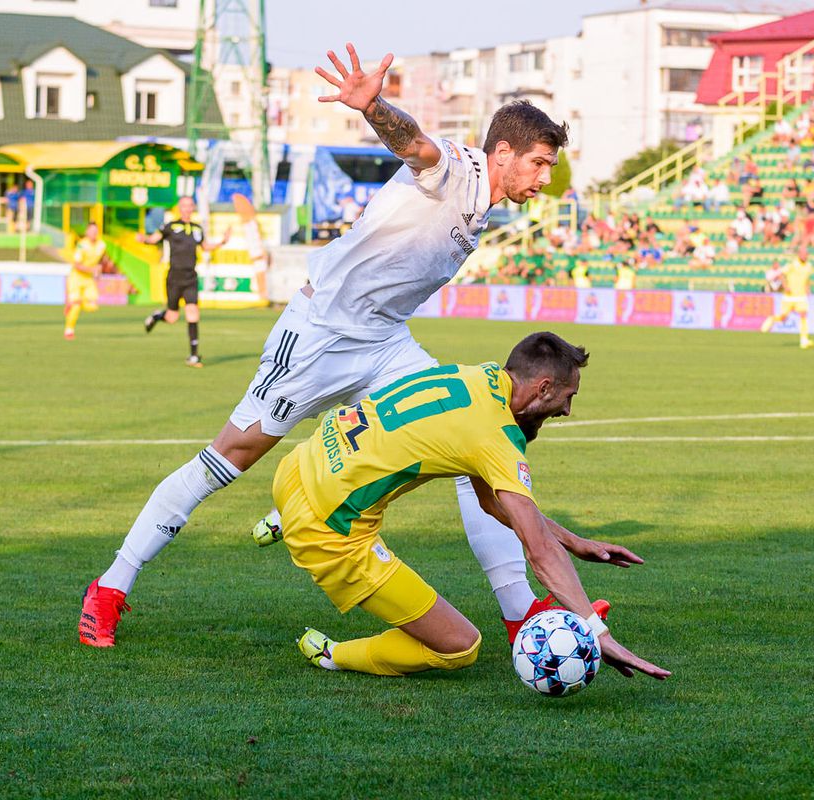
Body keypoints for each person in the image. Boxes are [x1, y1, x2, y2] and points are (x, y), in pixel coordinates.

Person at [78, 43, 585, 653]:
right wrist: (375, 108)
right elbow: (416, 144)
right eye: (538, 162)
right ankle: (109, 588)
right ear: (502, 152)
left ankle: (520, 615)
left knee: (477, 445)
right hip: (322, 332)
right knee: (228, 458)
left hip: (385, 342)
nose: (544, 177)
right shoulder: (460, 168)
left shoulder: (485, 203)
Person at [284, 333, 670, 681]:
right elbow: (540, 552)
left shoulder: (479, 379)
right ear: (545, 387)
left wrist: (573, 539)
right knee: (459, 645)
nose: (567, 411)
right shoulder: (496, 435)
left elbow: (490, 502)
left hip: (297, 469)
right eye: (568, 397)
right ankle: (333, 655)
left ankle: (281, 520)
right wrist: (596, 632)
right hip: (329, 529)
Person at [137, 196, 232, 368]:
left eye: (190, 205)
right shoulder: (171, 226)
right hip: (174, 277)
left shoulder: (197, 229)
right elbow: (154, 239)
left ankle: (194, 356)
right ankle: (157, 316)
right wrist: (143, 238)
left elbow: (205, 246)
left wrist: (222, 242)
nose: (187, 208)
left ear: (193, 207)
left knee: (193, 313)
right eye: (184, 205)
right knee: (172, 317)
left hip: (190, 277)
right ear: (180, 208)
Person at [760, 241, 814, 349]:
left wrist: (808, 289)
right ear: (799, 254)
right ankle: (772, 319)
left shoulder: (809, 266)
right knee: (783, 317)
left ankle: (804, 340)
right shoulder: (792, 264)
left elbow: (807, 279)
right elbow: (781, 274)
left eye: (806, 254)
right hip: (789, 297)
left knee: (803, 315)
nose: (805, 256)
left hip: (801, 296)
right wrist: (785, 286)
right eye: (803, 254)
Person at [64, 223, 107, 340]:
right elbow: (77, 265)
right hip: (76, 278)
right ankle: (69, 330)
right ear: (87, 232)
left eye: (96, 231)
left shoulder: (101, 245)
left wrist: (98, 271)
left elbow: (101, 261)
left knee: (93, 306)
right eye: (91, 231)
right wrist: (92, 269)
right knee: (76, 307)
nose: (94, 233)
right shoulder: (81, 245)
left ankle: (72, 303)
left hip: (88, 279)